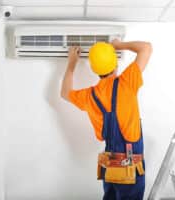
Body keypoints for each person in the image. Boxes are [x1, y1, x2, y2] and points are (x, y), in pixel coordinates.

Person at [61, 39, 152, 200]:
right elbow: (146, 48)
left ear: (95, 70)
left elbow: (65, 92)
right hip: (130, 168)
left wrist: (71, 64)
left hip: (110, 166)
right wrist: (119, 45)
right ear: (115, 63)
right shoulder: (127, 82)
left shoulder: (89, 96)